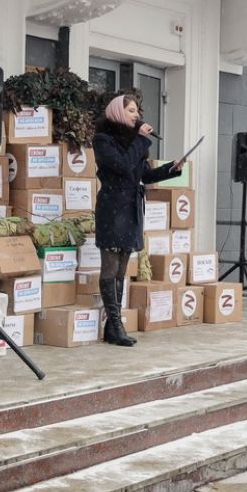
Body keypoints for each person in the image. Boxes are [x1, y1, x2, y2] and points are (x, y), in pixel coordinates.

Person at [92, 93, 183, 347]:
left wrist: (171, 169)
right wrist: (141, 139)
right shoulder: (103, 140)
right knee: (110, 266)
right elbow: (121, 165)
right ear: (119, 113)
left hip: (131, 208)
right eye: (131, 111)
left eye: (137, 111)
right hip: (112, 208)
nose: (137, 115)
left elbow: (143, 174)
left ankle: (113, 327)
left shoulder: (134, 143)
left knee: (122, 268)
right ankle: (116, 323)